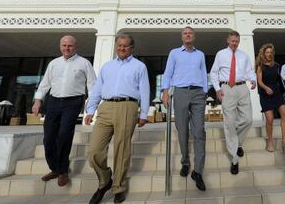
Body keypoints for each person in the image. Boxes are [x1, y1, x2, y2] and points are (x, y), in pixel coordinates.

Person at [84, 33, 150, 204]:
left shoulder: (139, 66)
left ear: (131, 48)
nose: (121, 48)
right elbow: (98, 88)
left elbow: (144, 91)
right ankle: (105, 180)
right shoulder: (107, 66)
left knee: (122, 149)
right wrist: (91, 109)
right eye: (119, 45)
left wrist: (143, 114)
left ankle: (118, 186)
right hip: (105, 107)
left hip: (128, 106)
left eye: (125, 46)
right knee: (94, 151)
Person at [32, 35, 96, 186]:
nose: (67, 48)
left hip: (73, 101)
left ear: (75, 47)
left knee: (64, 135)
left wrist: (91, 105)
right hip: (53, 101)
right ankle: (55, 168)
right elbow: (45, 84)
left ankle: (63, 171)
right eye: (64, 45)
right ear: (60, 46)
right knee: (48, 137)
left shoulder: (84, 63)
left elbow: (93, 85)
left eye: (70, 46)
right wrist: (37, 101)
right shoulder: (54, 63)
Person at [162, 26, 207, 191]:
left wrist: (204, 91)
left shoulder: (200, 54)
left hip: (197, 94)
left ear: (194, 36)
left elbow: (203, 73)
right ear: (182, 37)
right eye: (185, 33)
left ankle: (198, 171)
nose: (188, 35)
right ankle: (185, 161)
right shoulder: (174, 53)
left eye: (190, 33)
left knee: (199, 131)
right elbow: (167, 73)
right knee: (182, 130)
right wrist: (165, 92)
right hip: (180, 92)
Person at [209, 31, 256, 175]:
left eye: (237, 41)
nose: (235, 43)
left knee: (248, 120)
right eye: (233, 41)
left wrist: (253, 79)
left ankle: (238, 143)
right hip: (226, 88)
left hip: (242, 87)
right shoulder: (220, 54)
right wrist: (217, 89)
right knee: (229, 123)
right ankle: (234, 159)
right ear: (228, 41)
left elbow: (249, 71)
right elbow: (213, 73)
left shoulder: (244, 55)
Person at [255, 44, 285, 156]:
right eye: (267, 52)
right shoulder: (260, 66)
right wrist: (266, 88)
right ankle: (270, 140)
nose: (269, 54)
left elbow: (279, 79)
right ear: (263, 54)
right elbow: (259, 81)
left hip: (277, 93)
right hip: (265, 93)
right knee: (269, 119)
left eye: (271, 52)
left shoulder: (277, 65)